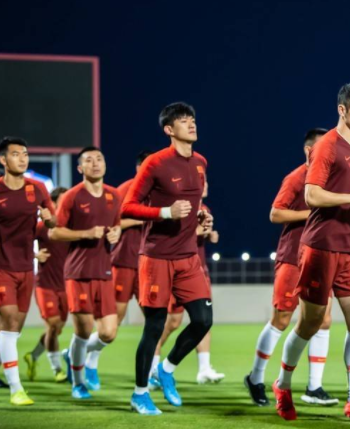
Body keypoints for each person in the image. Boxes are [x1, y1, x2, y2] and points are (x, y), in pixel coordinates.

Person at [271, 82, 350, 420]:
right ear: (342, 110)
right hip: (320, 247)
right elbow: (312, 195)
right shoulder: (326, 145)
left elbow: (349, 197)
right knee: (310, 322)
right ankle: (282, 383)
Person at [122, 102, 212, 415]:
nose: (191, 124)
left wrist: (200, 216)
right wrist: (165, 212)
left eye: (192, 119)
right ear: (169, 129)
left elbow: (192, 203)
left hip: (188, 256)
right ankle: (140, 394)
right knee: (155, 326)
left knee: (203, 320)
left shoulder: (200, 162)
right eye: (183, 121)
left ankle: (167, 368)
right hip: (156, 257)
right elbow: (128, 207)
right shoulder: (155, 163)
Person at [245, 128, 338, 407]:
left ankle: (314, 387)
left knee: (324, 320)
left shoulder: (331, 179)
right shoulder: (297, 177)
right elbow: (275, 213)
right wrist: (311, 213)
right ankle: (256, 378)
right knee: (282, 319)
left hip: (320, 258)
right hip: (292, 257)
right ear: (309, 151)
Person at [53, 146, 122, 399]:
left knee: (108, 333)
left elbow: (117, 225)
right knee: (83, 331)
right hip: (78, 272)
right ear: (80, 168)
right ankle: (78, 383)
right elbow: (55, 232)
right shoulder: (71, 196)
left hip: (104, 271)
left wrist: (116, 233)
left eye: (99, 159)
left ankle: (72, 354)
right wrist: (85, 233)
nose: (95, 163)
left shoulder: (114, 195)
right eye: (89, 160)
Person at [149, 179, 225, 386]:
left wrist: (210, 235)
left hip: (199, 271)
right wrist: (197, 232)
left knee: (204, 320)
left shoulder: (205, 209)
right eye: (201, 181)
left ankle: (204, 368)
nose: (205, 185)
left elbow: (199, 235)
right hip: (177, 272)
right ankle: (152, 369)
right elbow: (171, 237)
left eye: (206, 181)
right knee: (171, 322)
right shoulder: (181, 207)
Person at [0, 136, 56, 405]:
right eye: (15, 154)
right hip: (2, 267)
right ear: (3, 160)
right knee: (10, 322)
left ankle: (8, 368)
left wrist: (49, 218)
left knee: (13, 329)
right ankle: (16, 389)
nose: (22, 158)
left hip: (25, 268)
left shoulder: (38, 188)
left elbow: (53, 221)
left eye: (25, 154)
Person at [24, 187, 69, 383]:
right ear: (53, 203)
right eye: (63, 200)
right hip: (45, 284)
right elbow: (18, 242)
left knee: (56, 329)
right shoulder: (43, 227)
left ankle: (33, 356)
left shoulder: (71, 228)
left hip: (66, 286)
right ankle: (57, 369)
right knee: (53, 325)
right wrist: (34, 255)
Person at [113, 151, 152, 325]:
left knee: (153, 317)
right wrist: (138, 219)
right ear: (138, 167)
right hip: (125, 261)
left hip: (150, 262)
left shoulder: (161, 191)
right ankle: (95, 343)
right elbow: (110, 224)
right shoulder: (124, 190)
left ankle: (154, 348)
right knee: (116, 315)